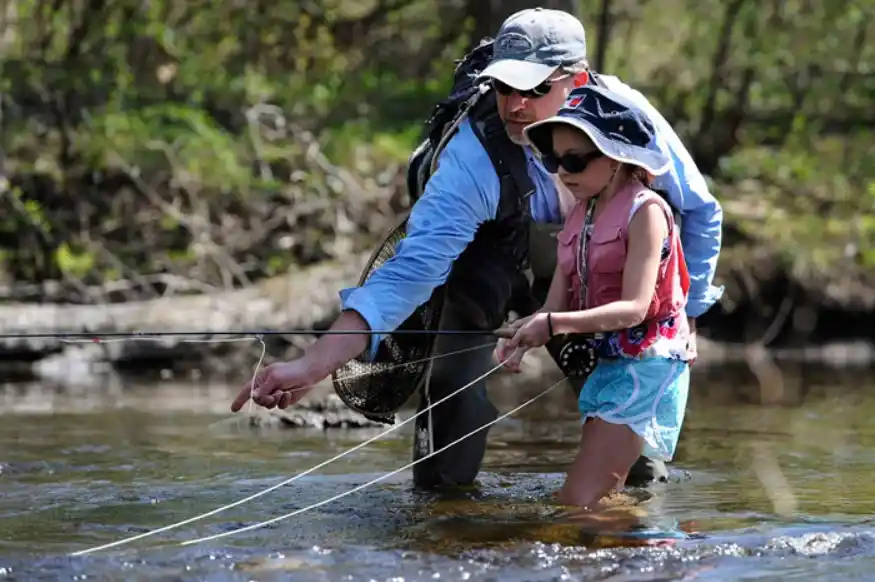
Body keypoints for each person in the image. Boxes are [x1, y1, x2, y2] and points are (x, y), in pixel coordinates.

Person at [230, 7, 723, 490]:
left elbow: (700, 211)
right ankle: (444, 534)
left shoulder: (629, 126)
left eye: (535, 90)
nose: (515, 106)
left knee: (636, 472)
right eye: (505, 87)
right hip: (480, 268)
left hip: (586, 278)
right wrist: (311, 366)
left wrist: (690, 314)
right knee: (449, 417)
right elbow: (406, 276)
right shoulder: (474, 158)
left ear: (580, 81)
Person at [496, 84, 694, 509]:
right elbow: (552, 307)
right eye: (553, 159)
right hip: (609, 365)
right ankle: (645, 558)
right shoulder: (580, 212)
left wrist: (551, 326)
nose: (562, 171)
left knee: (579, 503)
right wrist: (519, 334)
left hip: (647, 369)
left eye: (575, 160)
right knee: (598, 500)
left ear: (618, 157)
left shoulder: (647, 213)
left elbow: (635, 308)